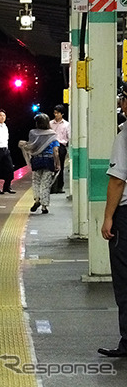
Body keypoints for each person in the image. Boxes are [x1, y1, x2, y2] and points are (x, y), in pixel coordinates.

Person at [98, 81, 127, 358]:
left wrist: (108, 218)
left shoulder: (125, 134)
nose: (121, 104)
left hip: (126, 217)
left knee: (125, 279)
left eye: (123, 99)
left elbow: (118, 181)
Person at [18, 113, 60, 214]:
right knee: (45, 183)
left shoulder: (33, 133)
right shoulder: (52, 134)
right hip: (48, 160)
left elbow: (31, 146)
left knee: (36, 181)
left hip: (36, 160)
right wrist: (57, 163)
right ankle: (44, 206)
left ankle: (37, 199)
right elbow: (55, 151)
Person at [49, 104, 70, 194]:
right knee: (50, 166)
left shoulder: (66, 124)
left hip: (61, 146)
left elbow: (69, 136)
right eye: (55, 113)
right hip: (51, 146)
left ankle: (59, 187)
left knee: (60, 166)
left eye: (58, 113)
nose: (56, 115)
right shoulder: (50, 123)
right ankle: (51, 186)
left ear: (62, 114)